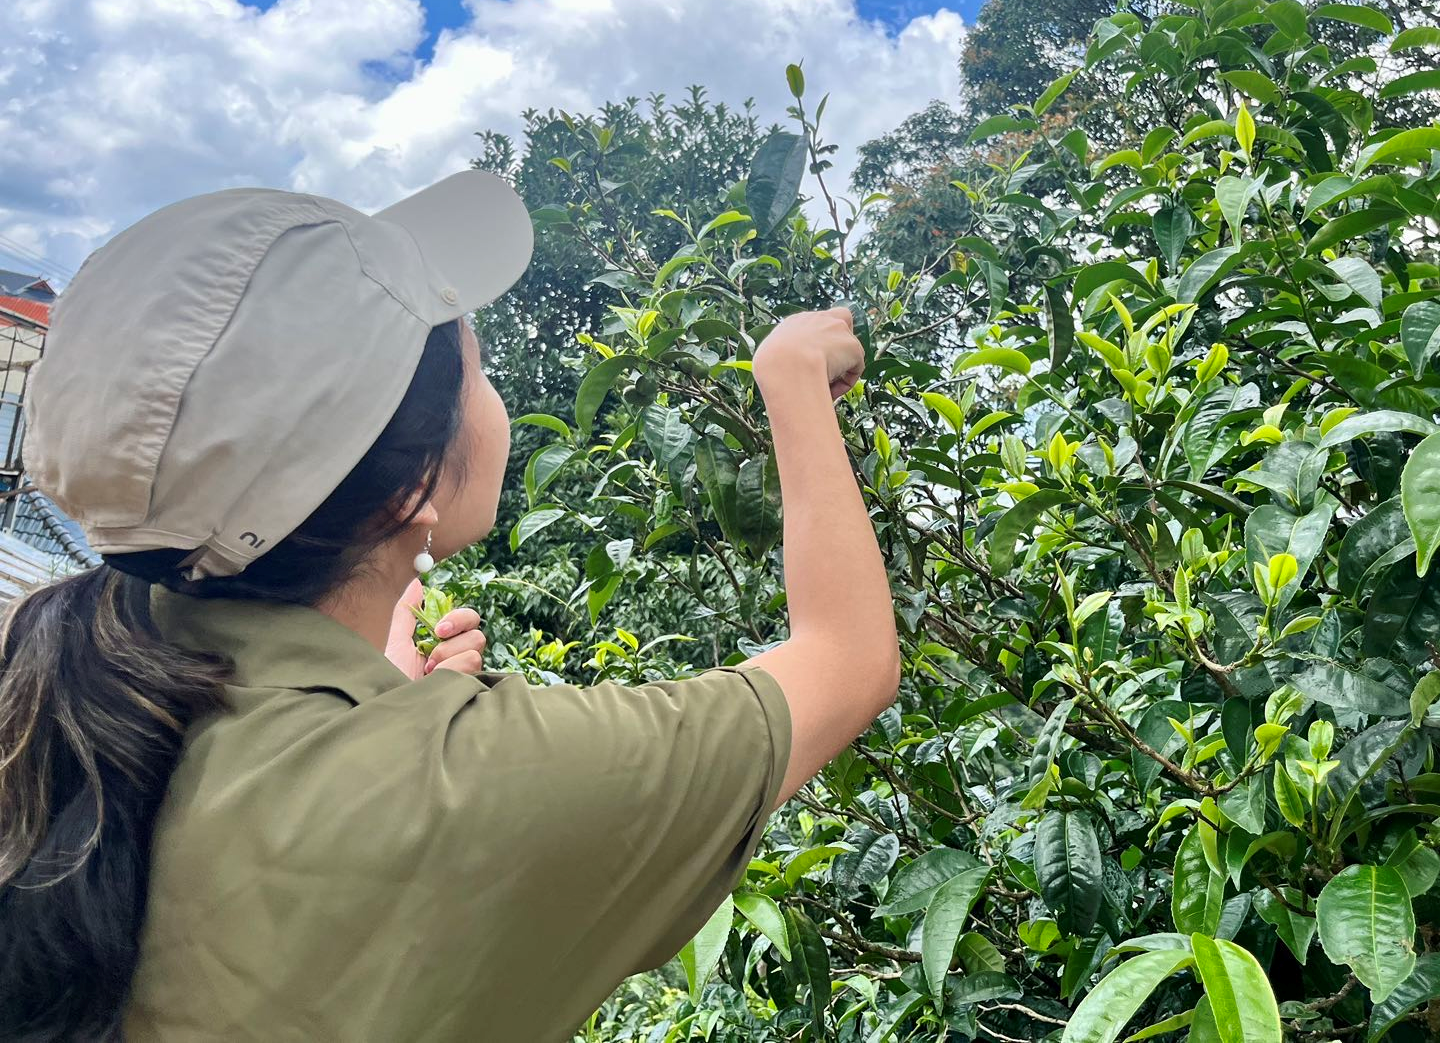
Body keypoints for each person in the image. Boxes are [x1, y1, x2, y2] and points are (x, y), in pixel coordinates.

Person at [0, 171, 898, 1041]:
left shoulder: (64, 668)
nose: (494, 394)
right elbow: (847, 656)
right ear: (411, 490)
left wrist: (375, 697)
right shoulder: (479, 788)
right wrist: (790, 379)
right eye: (477, 368)